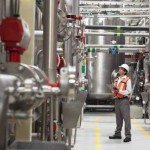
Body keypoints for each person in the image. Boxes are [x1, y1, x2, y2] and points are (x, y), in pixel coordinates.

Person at [109, 64, 132, 143]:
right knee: (118, 118)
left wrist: (119, 91)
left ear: (125, 71)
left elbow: (129, 91)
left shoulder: (127, 80)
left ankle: (128, 136)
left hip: (124, 100)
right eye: (119, 68)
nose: (119, 70)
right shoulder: (117, 79)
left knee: (126, 119)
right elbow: (116, 89)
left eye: (121, 69)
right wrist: (114, 91)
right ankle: (118, 134)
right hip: (117, 100)